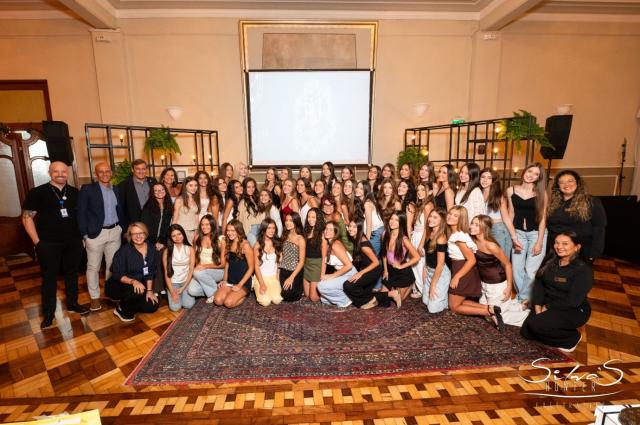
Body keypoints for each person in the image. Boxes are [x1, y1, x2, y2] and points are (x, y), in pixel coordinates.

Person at [22, 161, 89, 328]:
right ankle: (48, 313)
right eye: (56, 171)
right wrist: (37, 242)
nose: (60, 174)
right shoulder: (37, 192)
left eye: (63, 171)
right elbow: (26, 218)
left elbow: (81, 216)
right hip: (48, 244)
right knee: (49, 278)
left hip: (73, 242)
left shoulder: (75, 192)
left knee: (72, 274)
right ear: (49, 173)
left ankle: (73, 303)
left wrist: (82, 238)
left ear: (67, 173)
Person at [521, 231, 592, 352]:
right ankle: (548, 327)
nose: (559, 247)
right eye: (557, 243)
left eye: (565, 243)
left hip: (572, 309)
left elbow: (573, 301)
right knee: (526, 332)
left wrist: (547, 307)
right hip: (548, 302)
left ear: (577, 247)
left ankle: (572, 338)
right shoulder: (551, 259)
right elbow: (539, 284)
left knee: (536, 325)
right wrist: (537, 306)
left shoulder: (583, 269)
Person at [446, 206, 503, 327]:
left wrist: (457, 276)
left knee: (454, 306)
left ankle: (488, 311)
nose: (450, 217)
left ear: (461, 219)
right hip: (461, 268)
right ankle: (490, 308)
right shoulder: (458, 234)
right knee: (458, 303)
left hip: (462, 270)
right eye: (450, 214)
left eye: (455, 216)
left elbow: (471, 260)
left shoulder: (458, 237)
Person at [78, 162, 124, 312]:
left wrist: (121, 228)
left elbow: (120, 210)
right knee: (93, 267)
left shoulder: (116, 189)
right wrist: (85, 235)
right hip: (95, 234)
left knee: (112, 266)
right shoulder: (87, 189)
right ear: (95, 174)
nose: (105, 174)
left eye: (107, 171)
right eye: (101, 172)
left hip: (115, 232)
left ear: (111, 173)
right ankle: (94, 298)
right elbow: (81, 213)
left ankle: (111, 292)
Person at [470, 215, 529, 327]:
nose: (472, 226)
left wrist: (509, 287)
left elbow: (507, 264)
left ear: (485, 228)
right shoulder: (472, 240)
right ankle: (520, 307)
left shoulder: (491, 245)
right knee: (486, 313)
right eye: (472, 223)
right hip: (484, 283)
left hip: (497, 284)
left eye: (477, 225)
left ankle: (529, 315)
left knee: (500, 316)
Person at [507, 163, 549, 303]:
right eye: (530, 171)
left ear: (539, 178)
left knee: (531, 271)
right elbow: (511, 213)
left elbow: (543, 218)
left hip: (536, 234)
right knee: (516, 270)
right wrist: (511, 236)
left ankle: (522, 300)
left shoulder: (541, 194)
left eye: (536, 174)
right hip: (518, 233)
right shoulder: (511, 190)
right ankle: (523, 299)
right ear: (525, 171)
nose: (531, 175)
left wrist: (540, 242)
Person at [546, 170, 606, 262]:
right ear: (558, 186)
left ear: (577, 183)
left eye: (570, 181)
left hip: (580, 251)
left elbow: (599, 227)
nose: (566, 184)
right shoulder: (552, 203)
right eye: (562, 182)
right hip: (555, 250)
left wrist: (595, 252)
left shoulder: (591, 201)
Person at [106, 222, 160, 321]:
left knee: (152, 306)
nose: (138, 236)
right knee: (137, 292)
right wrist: (133, 282)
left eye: (141, 233)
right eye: (134, 234)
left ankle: (129, 302)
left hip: (139, 285)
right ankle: (121, 309)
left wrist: (149, 291)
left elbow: (150, 272)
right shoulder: (123, 252)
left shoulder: (152, 249)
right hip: (119, 284)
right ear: (130, 236)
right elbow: (117, 274)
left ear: (145, 233)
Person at [480, 168, 522, 258]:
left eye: (489, 178)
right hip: (484, 229)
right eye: (483, 177)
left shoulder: (498, 197)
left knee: (500, 259)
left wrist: (514, 238)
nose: (485, 180)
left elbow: (506, 218)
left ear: (493, 181)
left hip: (498, 229)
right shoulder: (477, 194)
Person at [185, 214, 226, 306]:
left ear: (212, 225)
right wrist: (197, 267)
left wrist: (204, 266)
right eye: (202, 225)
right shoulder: (197, 238)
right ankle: (216, 289)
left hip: (218, 271)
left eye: (207, 224)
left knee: (197, 272)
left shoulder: (221, 240)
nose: (204, 227)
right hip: (201, 272)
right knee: (192, 291)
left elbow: (223, 264)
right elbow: (195, 258)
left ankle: (213, 294)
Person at [213, 220, 255, 308]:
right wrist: (224, 280)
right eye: (228, 230)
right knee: (218, 301)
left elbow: (251, 268)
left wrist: (240, 284)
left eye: (233, 230)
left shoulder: (245, 245)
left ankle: (243, 295)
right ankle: (231, 293)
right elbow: (227, 264)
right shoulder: (228, 242)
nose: (229, 233)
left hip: (243, 282)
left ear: (239, 230)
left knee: (228, 303)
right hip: (230, 280)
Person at [141, 182, 173, 294]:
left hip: (164, 240)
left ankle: (163, 286)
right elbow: (146, 228)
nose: (160, 192)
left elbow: (168, 227)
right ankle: (155, 288)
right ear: (153, 193)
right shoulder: (148, 207)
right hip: (150, 240)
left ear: (165, 191)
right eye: (156, 190)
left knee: (165, 256)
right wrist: (155, 242)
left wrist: (162, 242)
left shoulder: (169, 206)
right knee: (154, 257)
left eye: (162, 189)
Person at [380, 211, 420, 301]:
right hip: (390, 270)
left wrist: (402, 266)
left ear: (401, 222)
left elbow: (417, 257)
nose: (392, 222)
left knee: (398, 299)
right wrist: (385, 270)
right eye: (391, 219)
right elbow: (384, 254)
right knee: (383, 298)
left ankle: (410, 283)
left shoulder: (404, 239)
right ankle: (395, 289)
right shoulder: (384, 234)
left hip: (403, 273)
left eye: (396, 220)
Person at [343, 219, 383, 308]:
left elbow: (376, 262)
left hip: (374, 270)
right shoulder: (357, 239)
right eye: (350, 226)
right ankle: (390, 294)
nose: (351, 229)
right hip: (368, 269)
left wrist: (360, 273)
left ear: (360, 229)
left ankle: (369, 301)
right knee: (365, 292)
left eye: (354, 227)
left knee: (347, 285)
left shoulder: (363, 245)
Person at [317, 221, 356, 307]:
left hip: (350, 274)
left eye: (331, 230)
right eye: (326, 229)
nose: (327, 231)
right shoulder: (329, 244)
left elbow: (349, 265)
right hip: (342, 273)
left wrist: (332, 276)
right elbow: (325, 261)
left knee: (321, 286)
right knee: (323, 298)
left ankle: (345, 300)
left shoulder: (335, 244)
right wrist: (323, 276)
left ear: (335, 232)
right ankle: (345, 294)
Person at [422, 208, 450, 313]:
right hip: (430, 270)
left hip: (440, 273)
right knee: (425, 301)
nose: (430, 219)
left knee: (432, 309)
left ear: (442, 220)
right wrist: (425, 267)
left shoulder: (441, 238)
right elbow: (428, 253)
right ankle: (441, 296)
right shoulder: (430, 233)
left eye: (435, 217)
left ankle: (445, 300)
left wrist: (433, 285)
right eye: (430, 216)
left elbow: (440, 264)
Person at [163, 224, 195, 312]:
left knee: (188, 305)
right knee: (175, 308)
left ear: (183, 234)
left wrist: (183, 287)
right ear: (170, 238)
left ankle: (183, 295)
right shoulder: (167, 251)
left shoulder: (190, 249)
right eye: (174, 236)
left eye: (179, 234)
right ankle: (169, 292)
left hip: (186, 281)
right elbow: (166, 273)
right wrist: (172, 292)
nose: (177, 237)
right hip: (173, 283)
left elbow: (191, 270)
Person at [252, 218, 283, 306]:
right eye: (269, 228)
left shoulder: (278, 244)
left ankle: (270, 291)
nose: (272, 231)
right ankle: (256, 286)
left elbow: (278, 265)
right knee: (265, 302)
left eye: (273, 228)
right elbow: (256, 266)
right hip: (261, 278)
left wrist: (277, 280)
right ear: (264, 229)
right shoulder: (257, 245)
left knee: (277, 300)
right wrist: (262, 284)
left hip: (273, 278)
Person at [410, 182, 434, 298]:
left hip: (422, 237)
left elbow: (427, 228)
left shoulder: (428, 205)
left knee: (420, 264)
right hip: (416, 235)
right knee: (415, 264)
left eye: (423, 190)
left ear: (430, 192)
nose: (419, 192)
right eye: (418, 190)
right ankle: (419, 288)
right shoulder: (421, 204)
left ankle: (424, 291)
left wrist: (421, 244)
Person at [117, 159, 156, 230]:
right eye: (137, 169)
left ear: (146, 170)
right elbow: (120, 209)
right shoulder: (124, 185)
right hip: (134, 224)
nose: (141, 171)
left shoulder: (153, 181)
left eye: (143, 169)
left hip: (152, 221)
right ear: (132, 170)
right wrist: (125, 228)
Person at [280, 212, 306, 302]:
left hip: (295, 271)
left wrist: (291, 277)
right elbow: (281, 255)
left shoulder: (300, 239)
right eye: (286, 220)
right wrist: (277, 271)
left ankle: (300, 288)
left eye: (291, 220)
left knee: (287, 295)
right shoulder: (284, 235)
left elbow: (301, 262)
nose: (287, 223)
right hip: (283, 270)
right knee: (281, 293)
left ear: (296, 222)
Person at [303, 207, 326, 301]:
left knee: (313, 298)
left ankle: (328, 294)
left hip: (316, 265)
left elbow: (324, 258)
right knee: (306, 295)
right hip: (306, 264)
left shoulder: (322, 234)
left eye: (313, 217)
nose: (310, 219)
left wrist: (322, 275)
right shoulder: (306, 230)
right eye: (309, 217)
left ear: (318, 218)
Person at [172, 176, 200, 243]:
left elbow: (196, 217)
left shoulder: (196, 199)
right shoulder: (179, 200)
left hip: (194, 232)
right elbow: (175, 219)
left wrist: (197, 231)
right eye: (190, 185)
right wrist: (173, 233)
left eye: (196, 185)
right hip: (182, 232)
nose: (194, 188)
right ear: (185, 186)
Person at [237, 177, 263, 246]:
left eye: (253, 187)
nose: (251, 189)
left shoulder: (256, 199)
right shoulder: (243, 202)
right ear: (244, 188)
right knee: (255, 249)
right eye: (248, 187)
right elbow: (240, 220)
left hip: (260, 229)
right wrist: (244, 235)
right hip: (250, 231)